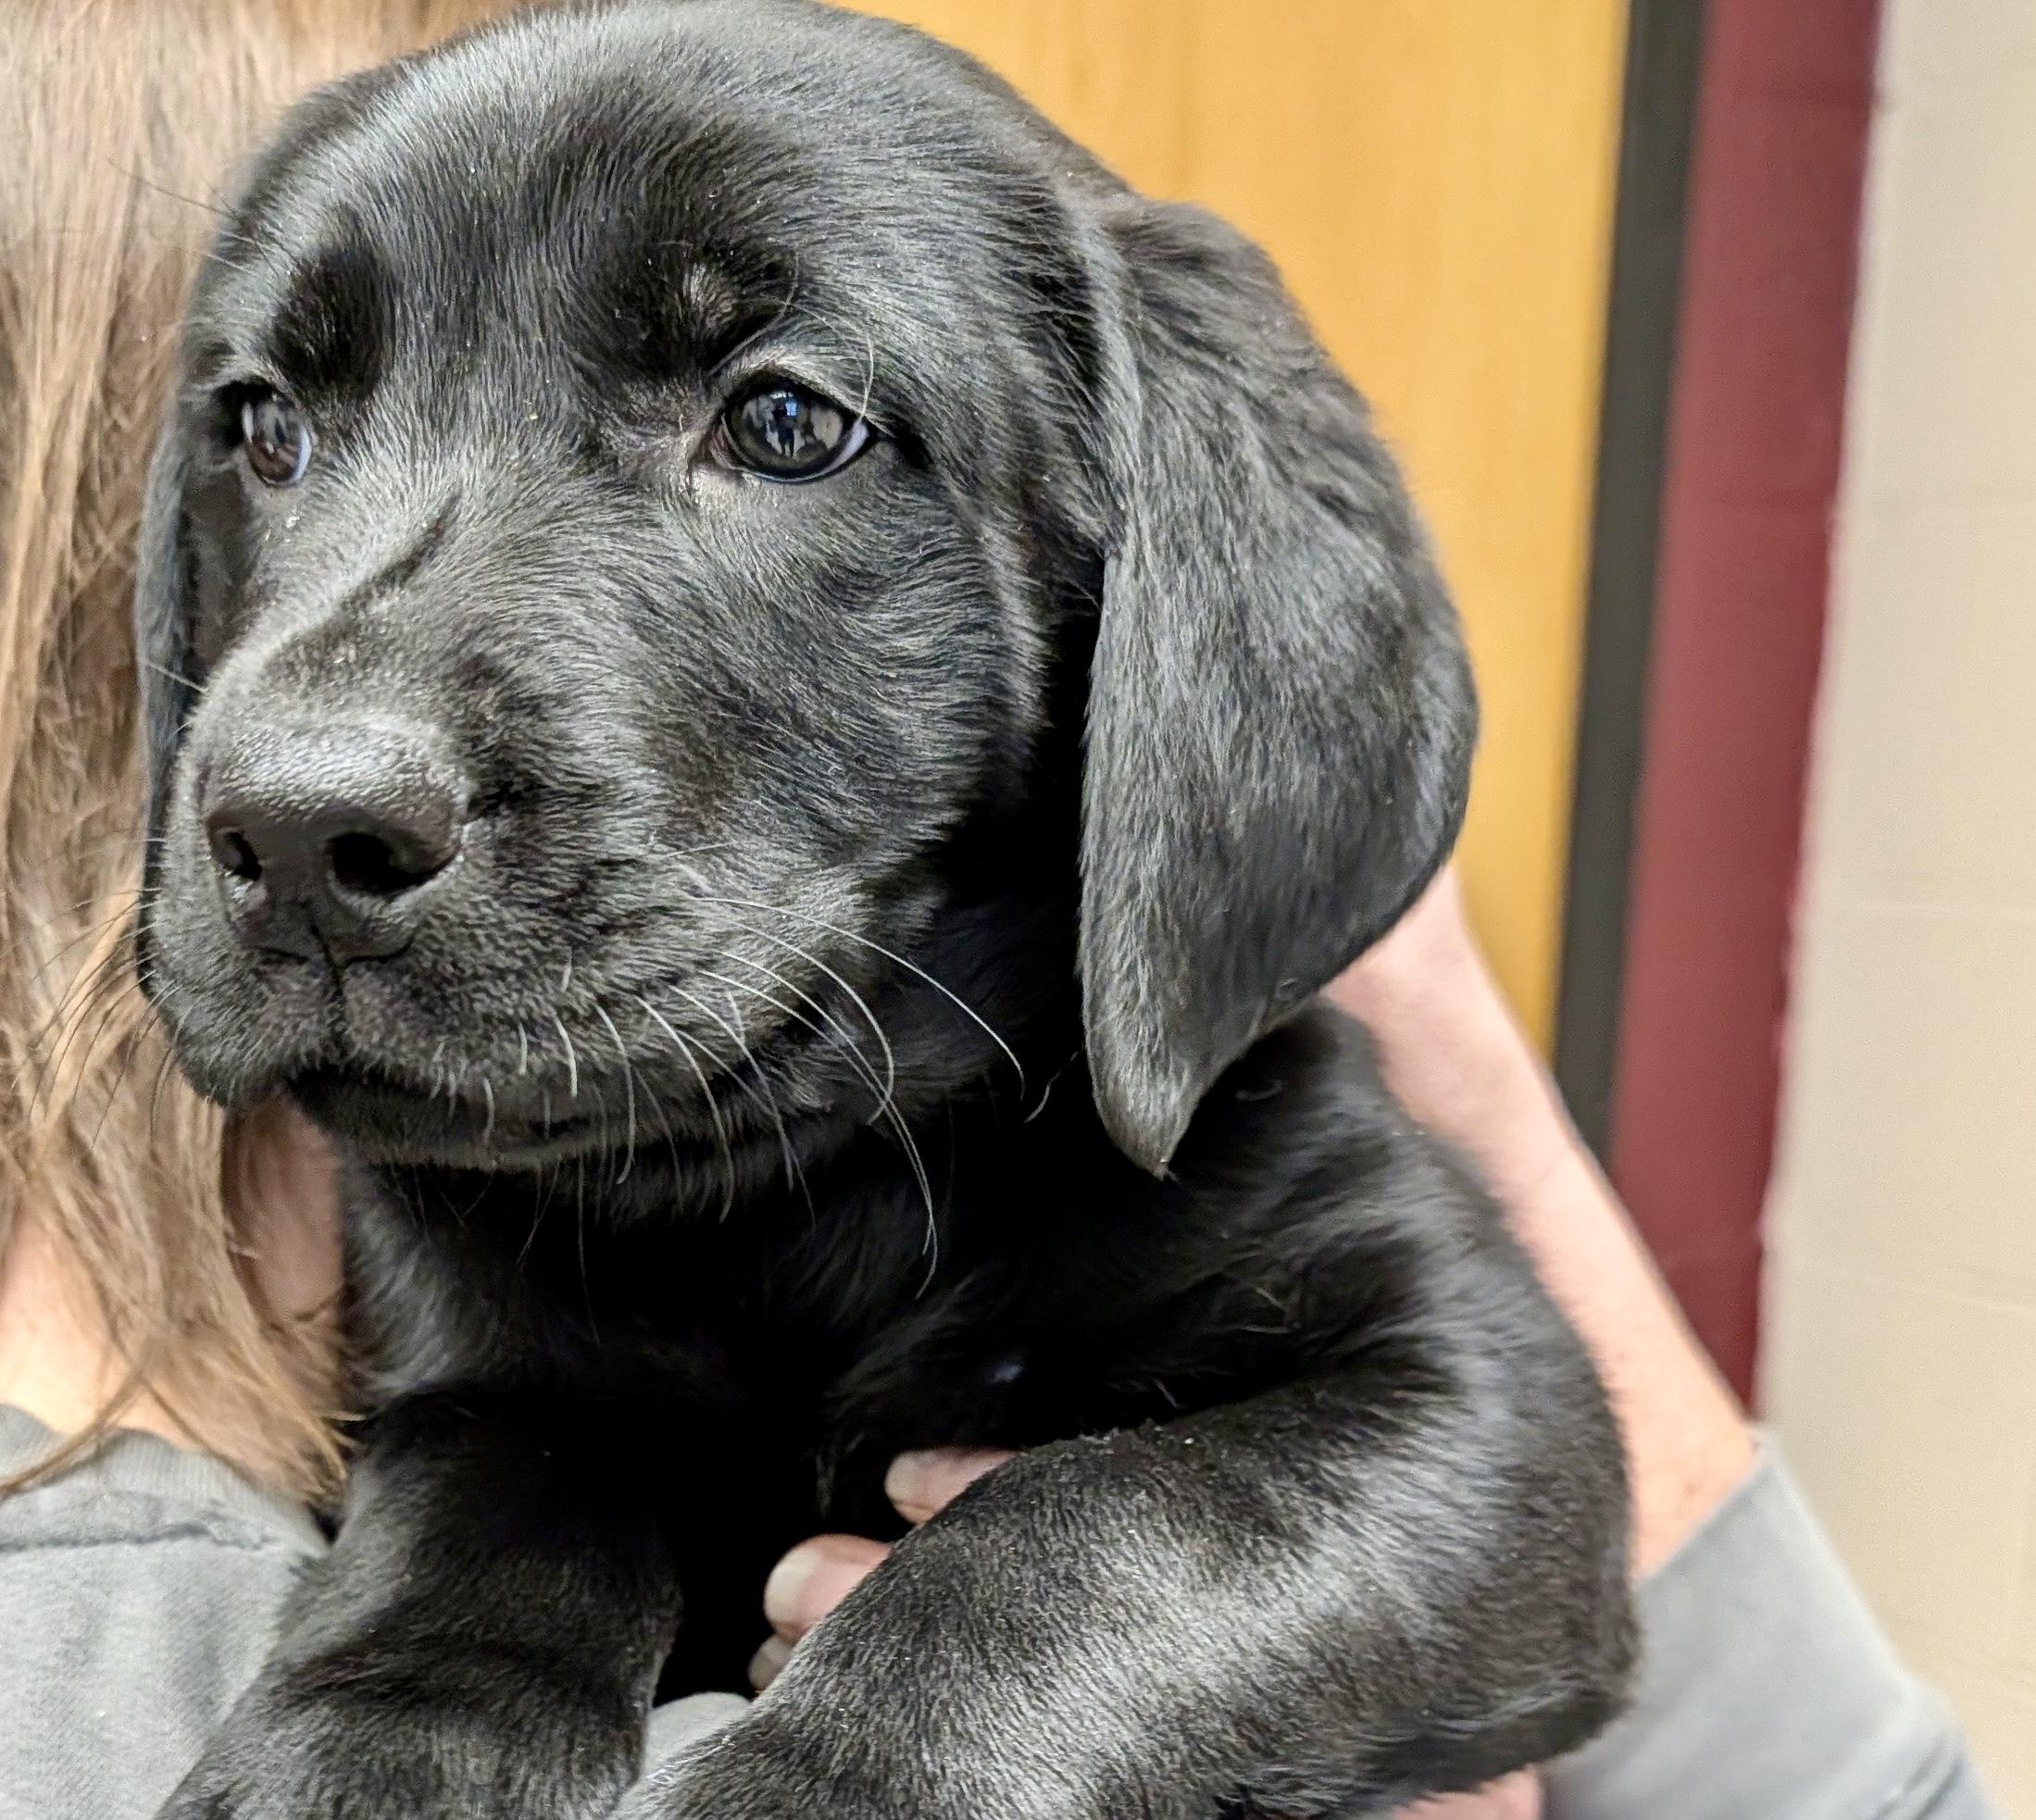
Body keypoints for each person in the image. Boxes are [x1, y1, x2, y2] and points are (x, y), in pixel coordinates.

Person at [0, 5, 1998, 1817]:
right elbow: (508, 1431)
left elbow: (1500, 1486)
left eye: (781, 421)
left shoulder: (1196, 1164)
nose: (311, 755)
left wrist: (953, 1724)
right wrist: (456, 1643)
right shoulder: (136, 1600)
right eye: (283, 427)